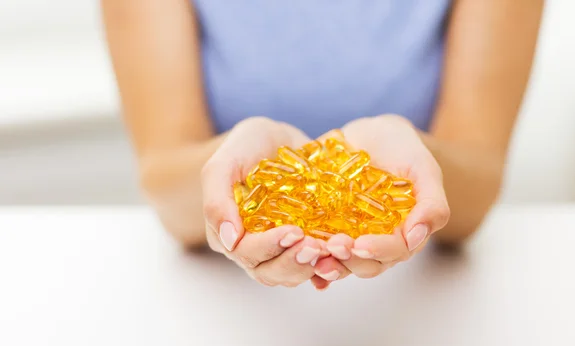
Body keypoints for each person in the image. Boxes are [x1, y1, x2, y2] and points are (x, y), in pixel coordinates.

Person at [101, 0, 544, 290]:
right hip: (218, 312)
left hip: (425, 306)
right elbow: (165, 183)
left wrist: (422, 161)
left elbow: (477, 189)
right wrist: (224, 174)